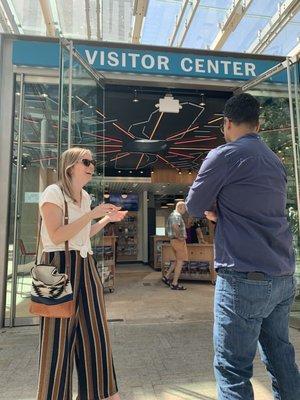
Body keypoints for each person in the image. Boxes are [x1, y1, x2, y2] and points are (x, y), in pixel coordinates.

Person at [186, 93, 300, 400]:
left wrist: (216, 210)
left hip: (242, 277)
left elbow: (194, 205)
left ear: (226, 123)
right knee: (281, 360)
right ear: (259, 124)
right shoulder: (275, 161)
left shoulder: (224, 155)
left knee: (232, 368)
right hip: (282, 275)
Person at [37, 147, 126, 400]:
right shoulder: (53, 193)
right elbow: (56, 235)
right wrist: (91, 214)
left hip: (85, 265)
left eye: (93, 162)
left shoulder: (85, 197)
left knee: (95, 333)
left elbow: (81, 235)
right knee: (57, 340)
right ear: (70, 166)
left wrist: (107, 220)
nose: (91, 166)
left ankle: (102, 394)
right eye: (86, 161)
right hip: (56, 267)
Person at [162, 201, 188, 290]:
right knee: (180, 261)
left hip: (173, 241)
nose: (185, 210)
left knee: (176, 261)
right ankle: (174, 283)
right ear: (180, 207)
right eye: (185, 208)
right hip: (178, 241)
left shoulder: (172, 215)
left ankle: (166, 276)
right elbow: (175, 226)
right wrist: (180, 237)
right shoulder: (177, 215)